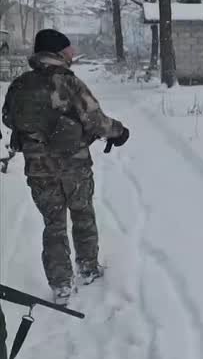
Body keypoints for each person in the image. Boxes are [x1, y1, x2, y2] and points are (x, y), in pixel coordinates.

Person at [1, 30, 130, 305]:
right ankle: (88, 268)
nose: (72, 53)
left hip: (39, 169)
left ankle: (60, 284)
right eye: (69, 49)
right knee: (82, 215)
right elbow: (97, 121)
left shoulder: (20, 85)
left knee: (53, 225)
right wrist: (119, 132)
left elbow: (8, 119)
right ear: (58, 52)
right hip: (75, 166)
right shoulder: (70, 83)